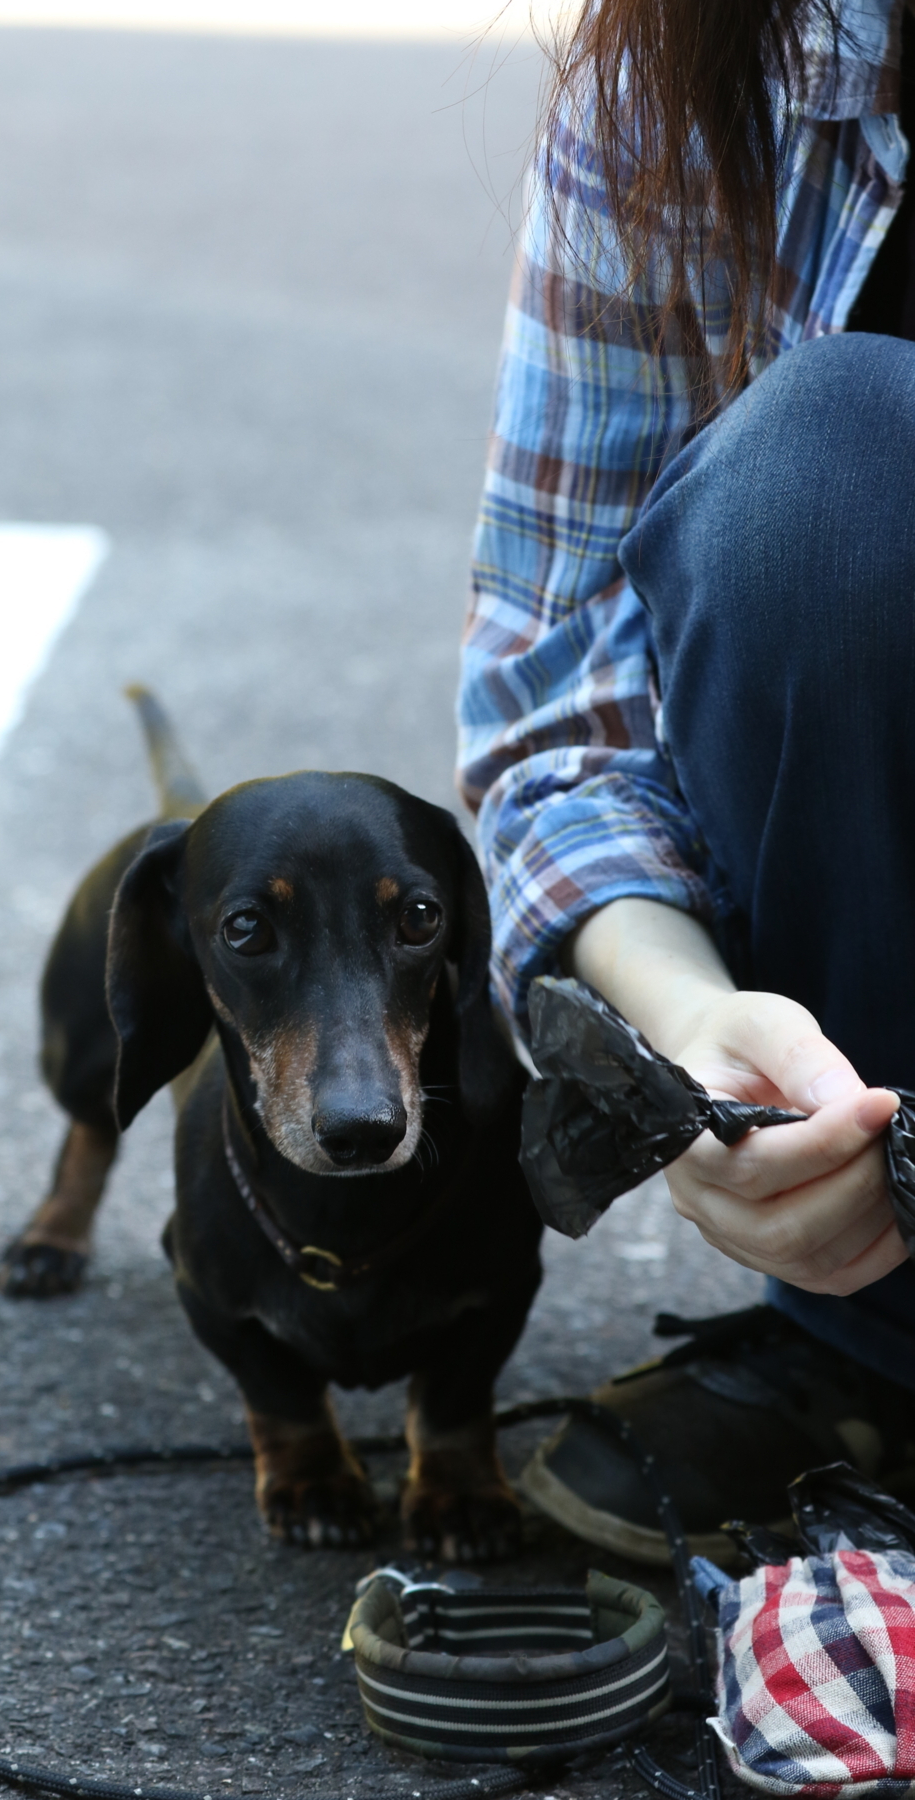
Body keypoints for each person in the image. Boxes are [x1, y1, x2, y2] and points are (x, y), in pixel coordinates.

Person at [458, 0, 915, 1563]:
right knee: (829, 468)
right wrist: (692, 1024)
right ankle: (880, 1344)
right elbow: (556, 678)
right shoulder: (710, 59)